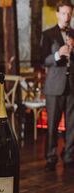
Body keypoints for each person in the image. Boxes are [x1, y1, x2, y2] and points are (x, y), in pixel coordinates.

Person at [41, 0, 74, 171]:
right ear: (57, 13)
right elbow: (42, 60)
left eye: (69, 13)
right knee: (52, 124)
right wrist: (57, 54)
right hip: (54, 86)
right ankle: (51, 157)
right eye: (64, 13)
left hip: (72, 86)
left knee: (72, 124)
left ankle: (69, 156)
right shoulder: (48, 34)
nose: (67, 17)